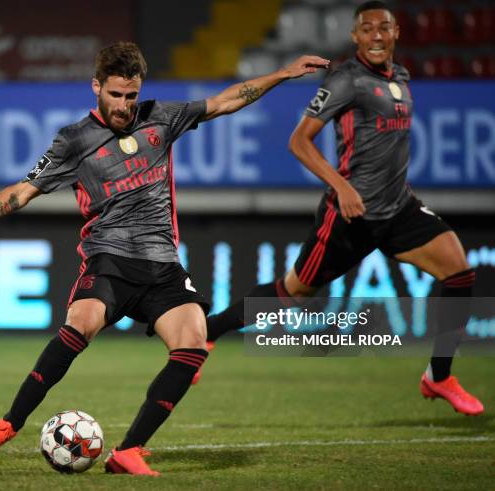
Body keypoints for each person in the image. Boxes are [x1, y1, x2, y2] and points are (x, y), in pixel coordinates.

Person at [0, 42, 329, 475]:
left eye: (131, 96)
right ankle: (7, 424)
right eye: (115, 95)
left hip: (163, 265)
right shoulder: (74, 140)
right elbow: (22, 190)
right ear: (97, 87)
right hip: (109, 260)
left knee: (193, 342)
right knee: (82, 324)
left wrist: (282, 74)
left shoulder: (162, 117)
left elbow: (228, 99)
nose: (123, 105)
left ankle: (128, 450)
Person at [199, 1, 483, 416]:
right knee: (292, 293)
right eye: (367, 29)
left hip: (398, 209)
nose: (376, 36)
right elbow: (299, 141)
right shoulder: (347, 81)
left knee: (459, 273)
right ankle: (208, 332)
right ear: (355, 37)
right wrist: (343, 187)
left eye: (383, 28)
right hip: (349, 217)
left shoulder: (401, 77)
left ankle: (438, 377)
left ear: (397, 32)